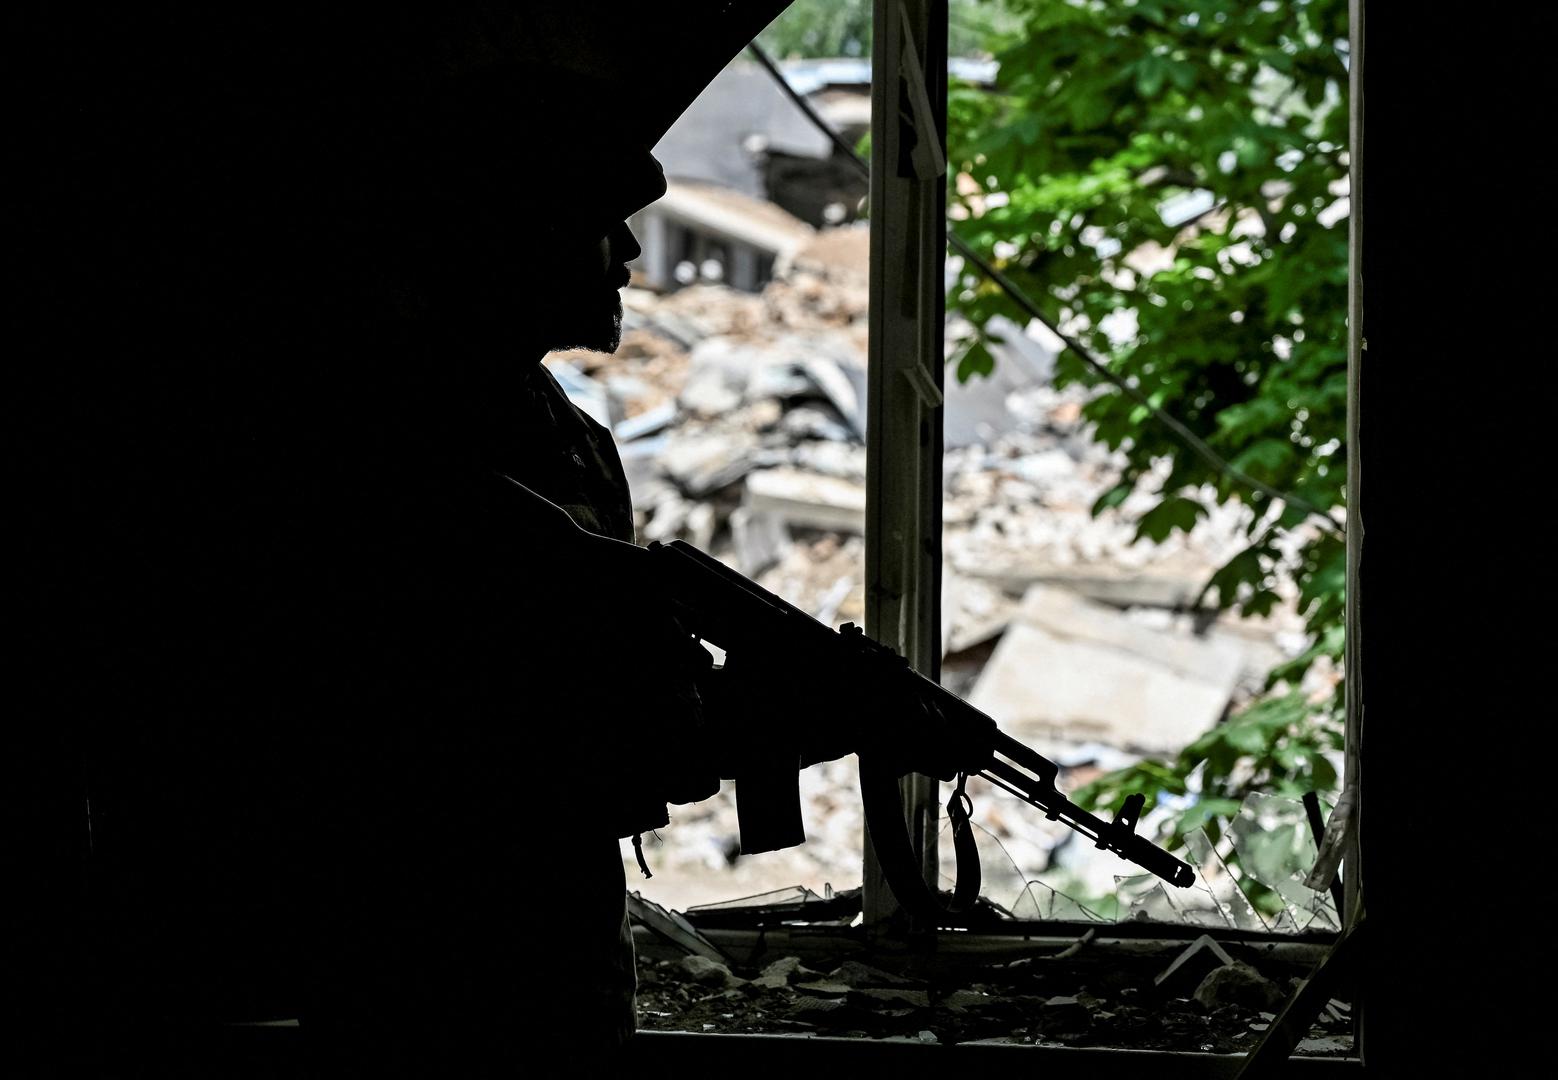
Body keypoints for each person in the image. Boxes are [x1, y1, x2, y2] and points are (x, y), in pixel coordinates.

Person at [15, 5, 790, 1074]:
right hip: (421, 964)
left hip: (557, 954)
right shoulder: (367, 444)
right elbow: (476, 741)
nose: (623, 253)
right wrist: (746, 719)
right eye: (590, 219)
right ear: (503, 229)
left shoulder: (567, 438)